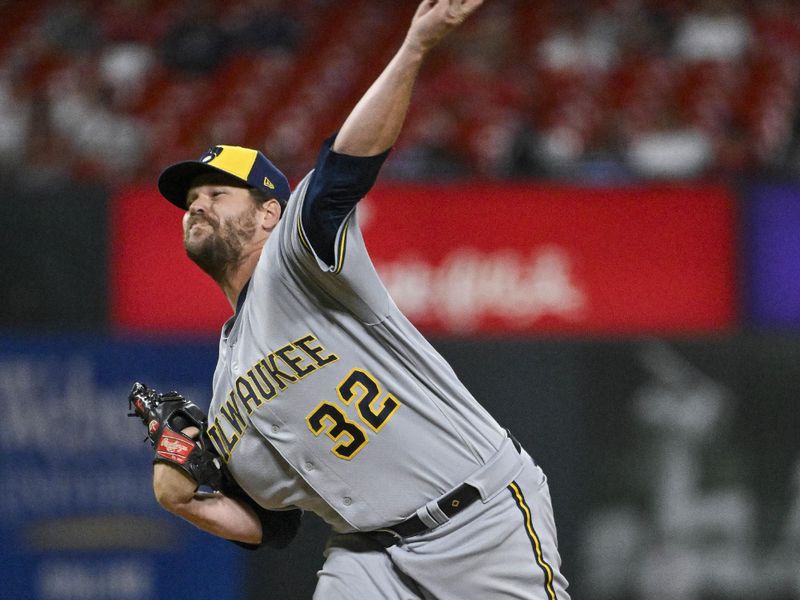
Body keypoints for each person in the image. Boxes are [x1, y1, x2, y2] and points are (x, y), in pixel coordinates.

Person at [149, 1, 570, 598]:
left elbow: (343, 169)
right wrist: (181, 497)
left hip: (476, 519)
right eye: (192, 198)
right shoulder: (226, 384)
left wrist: (415, 47)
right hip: (367, 551)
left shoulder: (296, 261)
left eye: (218, 193)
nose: (197, 204)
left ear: (271, 211)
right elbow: (272, 526)